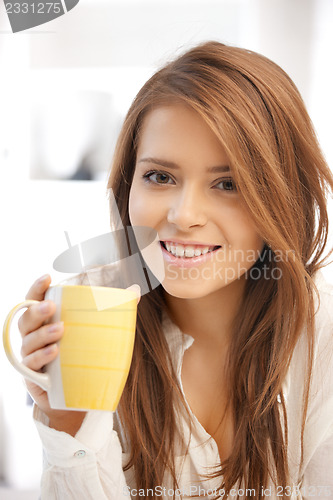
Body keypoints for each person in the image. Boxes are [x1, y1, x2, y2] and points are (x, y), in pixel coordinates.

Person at [18, 41, 333, 499]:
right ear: (128, 184)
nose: (184, 215)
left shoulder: (322, 331)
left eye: (228, 184)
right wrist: (71, 423)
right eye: (160, 177)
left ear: (282, 196)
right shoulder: (92, 317)